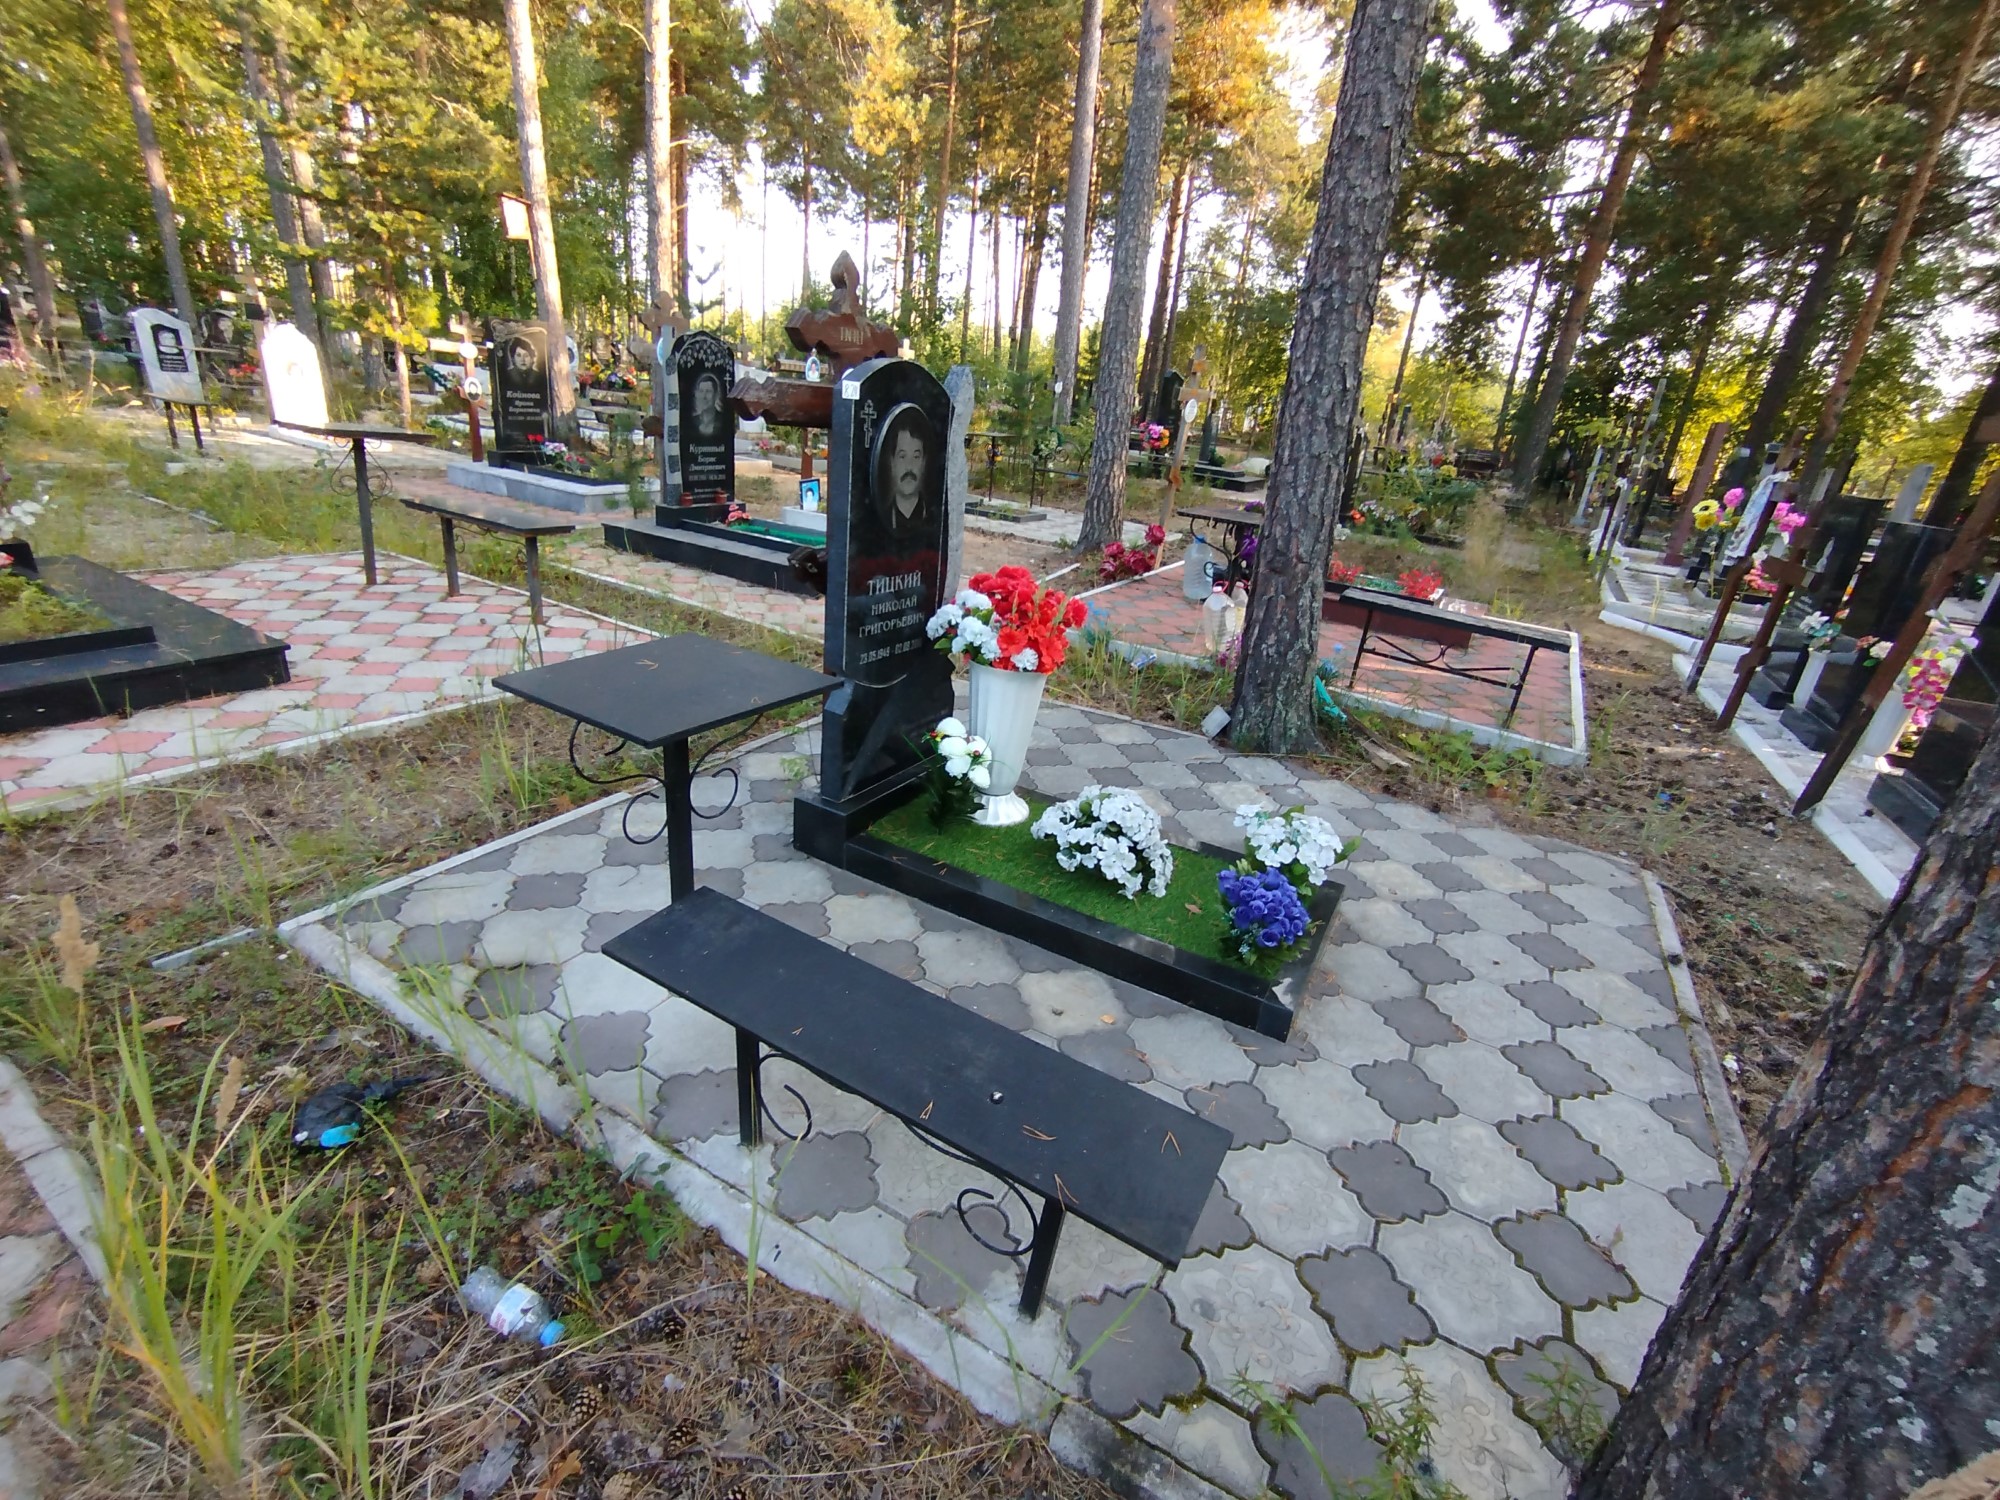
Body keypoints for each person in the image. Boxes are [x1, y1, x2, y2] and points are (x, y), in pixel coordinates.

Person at [870, 406, 935, 538]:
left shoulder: (933, 517)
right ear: (892, 462)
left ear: (924, 463)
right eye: (902, 456)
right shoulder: (881, 519)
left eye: (916, 457)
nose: (909, 466)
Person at [689, 372, 726, 440]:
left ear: (716, 395)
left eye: (708, 391)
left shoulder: (724, 421)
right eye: (701, 391)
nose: (704, 396)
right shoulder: (692, 422)